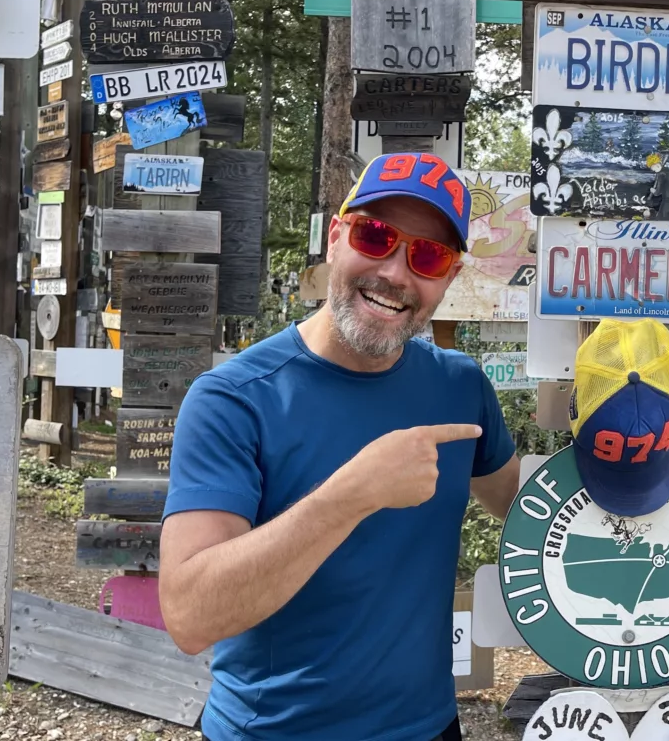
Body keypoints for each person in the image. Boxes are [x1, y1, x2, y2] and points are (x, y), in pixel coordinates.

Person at [158, 152, 521, 741]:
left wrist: (625, 454)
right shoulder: (233, 400)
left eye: (428, 255)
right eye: (375, 236)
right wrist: (351, 495)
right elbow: (192, 617)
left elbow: (530, 509)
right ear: (336, 237)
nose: (397, 274)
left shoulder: (461, 388)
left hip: (429, 729)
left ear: (448, 279)